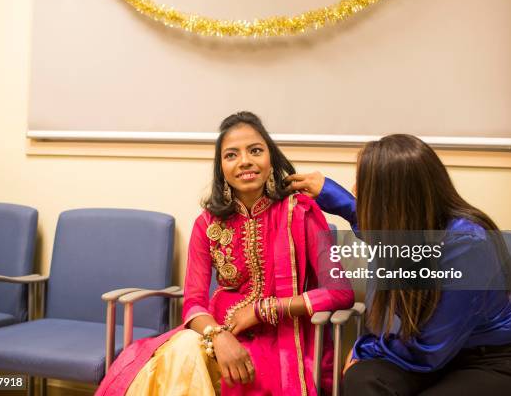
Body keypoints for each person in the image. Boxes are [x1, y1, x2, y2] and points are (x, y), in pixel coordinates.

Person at [95, 112, 354, 396]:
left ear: (271, 160)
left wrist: (263, 310)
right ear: (222, 168)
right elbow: (193, 303)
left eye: (255, 150)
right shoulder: (206, 224)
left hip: (283, 341)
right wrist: (218, 336)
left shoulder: (301, 212)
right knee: (176, 353)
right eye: (232, 155)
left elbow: (340, 293)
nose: (245, 161)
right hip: (215, 335)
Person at [285, 134, 511, 396]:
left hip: (489, 363)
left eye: (364, 184)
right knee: (363, 379)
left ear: (395, 196)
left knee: (366, 365)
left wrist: (364, 348)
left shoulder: (466, 245)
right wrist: (329, 191)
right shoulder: (413, 226)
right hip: (434, 359)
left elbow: (430, 350)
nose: (354, 189)